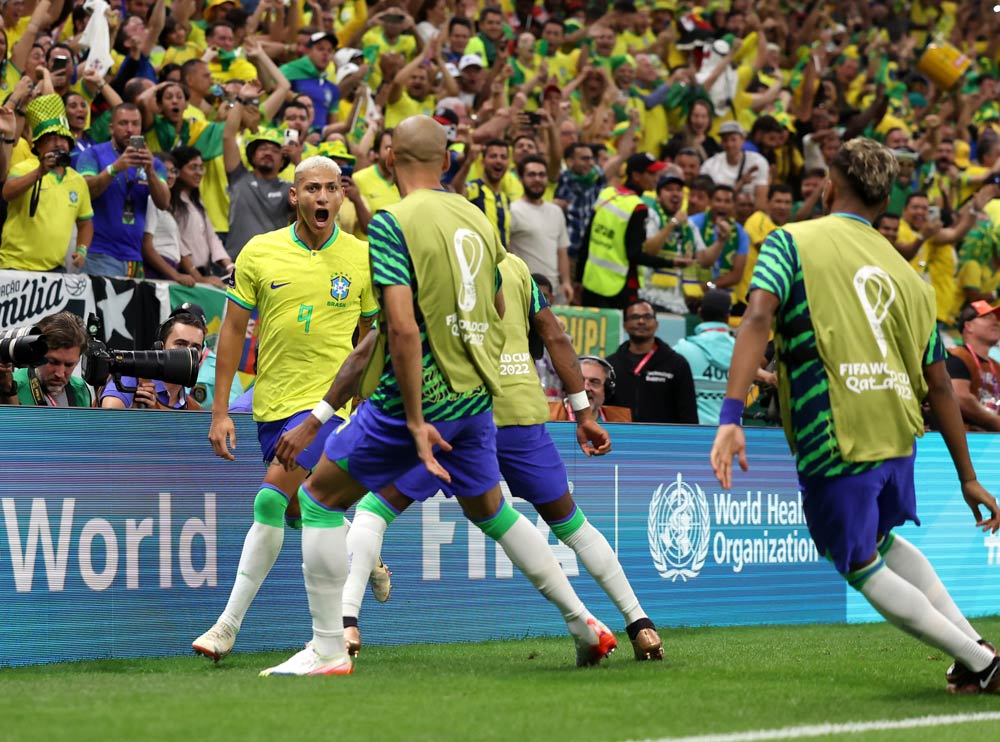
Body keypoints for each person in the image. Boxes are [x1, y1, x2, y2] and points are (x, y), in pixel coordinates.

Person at [260, 115, 615, 676]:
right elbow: (497, 309)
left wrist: (417, 418)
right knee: (491, 509)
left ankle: (328, 648)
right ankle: (583, 624)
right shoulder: (477, 217)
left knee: (318, 498)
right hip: (477, 396)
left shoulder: (392, 223)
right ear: (447, 161)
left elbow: (399, 327)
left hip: (415, 400)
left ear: (389, 160)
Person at [710, 138, 1000, 696]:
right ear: (885, 199)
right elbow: (938, 382)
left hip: (835, 432)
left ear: (826, 186)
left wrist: (731, 414)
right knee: (881, 539)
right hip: (898, 436)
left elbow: (757, 319)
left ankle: (982, 664)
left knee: (857, 559)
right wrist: (967, 476)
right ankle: (976, 653)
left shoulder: (790, 241)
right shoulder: (910, 276)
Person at [283, 253, 662, 662]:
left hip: (454, 409)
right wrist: (583, 413)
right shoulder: (516, 269)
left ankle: (345, 622)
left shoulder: (426, 265)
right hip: (519, 408)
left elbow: (380, 345)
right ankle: (640, 625)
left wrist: (328, 414)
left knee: (375, 509)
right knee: (570, 524)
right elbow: (554, 337)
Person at [192, 155, 389, 663]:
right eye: (312, 189)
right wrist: (220, 412)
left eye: (331, 188)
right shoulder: (260, 251)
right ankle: (362, 555)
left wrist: (364, 403)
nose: (322, 197)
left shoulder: (363, 257)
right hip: (271, 404)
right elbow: (232, 331)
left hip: (329, 408)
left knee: (269, 501)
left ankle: (225, 628)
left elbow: (370, 340)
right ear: (294, 197)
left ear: (342, 196)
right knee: (303, 508)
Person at [578, 153, 689, 310]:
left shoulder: (607, 194)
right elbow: (635, 254)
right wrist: (671, 263)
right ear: (636, 175)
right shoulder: (638, 207)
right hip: (619, 288)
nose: (656, 178)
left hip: (591, 281)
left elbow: (586, 240)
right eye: (651, 173)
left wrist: (578, 279)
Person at [0, 94, 93, 273]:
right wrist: (39, 172)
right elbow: (7, 193)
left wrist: (82, 249)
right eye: (50, 139)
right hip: (14, 266)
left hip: (54, 270)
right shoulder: (25, 167)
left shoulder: (78, 181)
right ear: (39, 146)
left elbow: (86, 222)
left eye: (62, 138)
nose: (58, 144)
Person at [77, 103, 170, 278]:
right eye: (123, 123)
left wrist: (150, 172)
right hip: (99, 254)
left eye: (135, 124)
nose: (130, 129)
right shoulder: (93, 154)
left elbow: (164, 202)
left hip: (135, 258)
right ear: (111, 128)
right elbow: (85, 191)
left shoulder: (154, 163)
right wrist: (114, 169)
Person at [223, 82, 293, 260]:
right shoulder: (238, 177)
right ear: (252, 157)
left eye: (275, 150)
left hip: (272, 265)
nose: (268, 153)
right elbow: (228, 136)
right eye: (262, 149)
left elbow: (304, 207)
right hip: (235, 261)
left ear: (283, 161)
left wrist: (298, 160)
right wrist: (241, 99)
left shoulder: (290, 189)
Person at [606, 300, 698, 424]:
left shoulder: (677, 364)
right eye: (634, 317)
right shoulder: (610, 365)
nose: (641, 321)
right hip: (622, 439)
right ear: (625, 326)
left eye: (647, 317)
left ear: (656, 324)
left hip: (663, 440)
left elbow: (688, 414)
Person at [100, 308, 206, 410]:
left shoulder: (194, 408)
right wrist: (134, 414)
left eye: (195, 347)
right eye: (180, 344)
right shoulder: (132, 377)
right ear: (161, 348)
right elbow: (109, 415)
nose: (188, 353)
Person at [509, 154, 573, 303]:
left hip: (554, 292)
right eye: (531, 175)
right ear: (521, 179)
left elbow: (562, 251)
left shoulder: (556, 211)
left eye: (541, 175)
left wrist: (566, 282)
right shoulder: (512, 210)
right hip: (524, 290)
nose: (537, 179)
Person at [0, 312, 92, 407]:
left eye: (69, 365)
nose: (59, 374)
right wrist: (8, 391)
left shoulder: (80, 388)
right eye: (53, 362)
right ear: (36, 354)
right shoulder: (12, 385)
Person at [673, 290, 735, 425]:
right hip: (731, 433)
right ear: (728, 316)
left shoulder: (682, 348)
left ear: (699, 312)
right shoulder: (741, 350)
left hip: (695, 433)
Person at [944, 302, 1000, 433]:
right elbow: (959, 397)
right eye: (986, 318)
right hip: (967, 438)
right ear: (968, 326)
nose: (995, 323)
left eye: (995, 319)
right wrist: (995, 422)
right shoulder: (956, 357)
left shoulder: (996, 366)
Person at [700, 121, 769, 211]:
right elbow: (709, 201)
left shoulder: (758, 162)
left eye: (733, 139)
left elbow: (761, 202)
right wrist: (741, 183)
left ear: (743, 140)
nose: (729, 144)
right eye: (725, 140)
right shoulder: (710, 165)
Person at [549, 355, 632, 422]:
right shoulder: (548, 416)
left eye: (594, 382)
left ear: (606, 390)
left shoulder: (621, 420)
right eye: (579, 381)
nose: (586, 388)